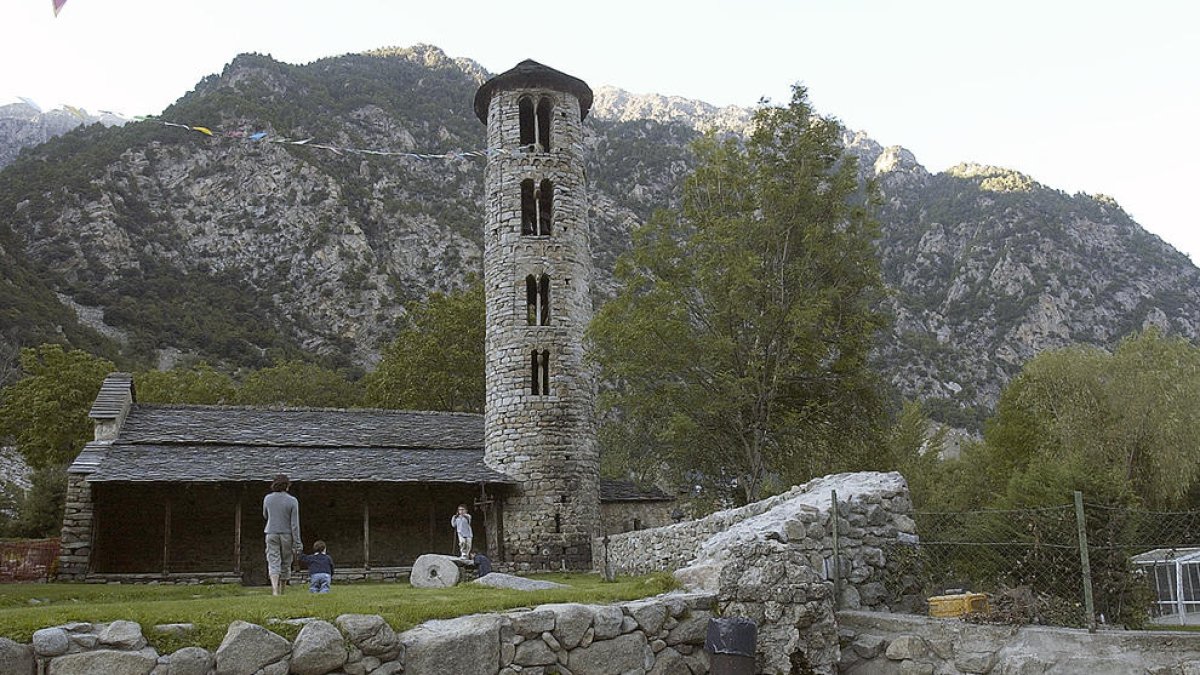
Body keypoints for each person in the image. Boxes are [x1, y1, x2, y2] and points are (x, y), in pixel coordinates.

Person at [263, 473, 302, 596]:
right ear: (287, 486)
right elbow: (294, 524)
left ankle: (274, 589)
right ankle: (282, 589)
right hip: (287, 534)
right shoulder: (292, 500)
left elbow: (265, 515)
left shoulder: (267, 498)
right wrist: (297, 542)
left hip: (271, 532)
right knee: (286, 561)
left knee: (273, 560)